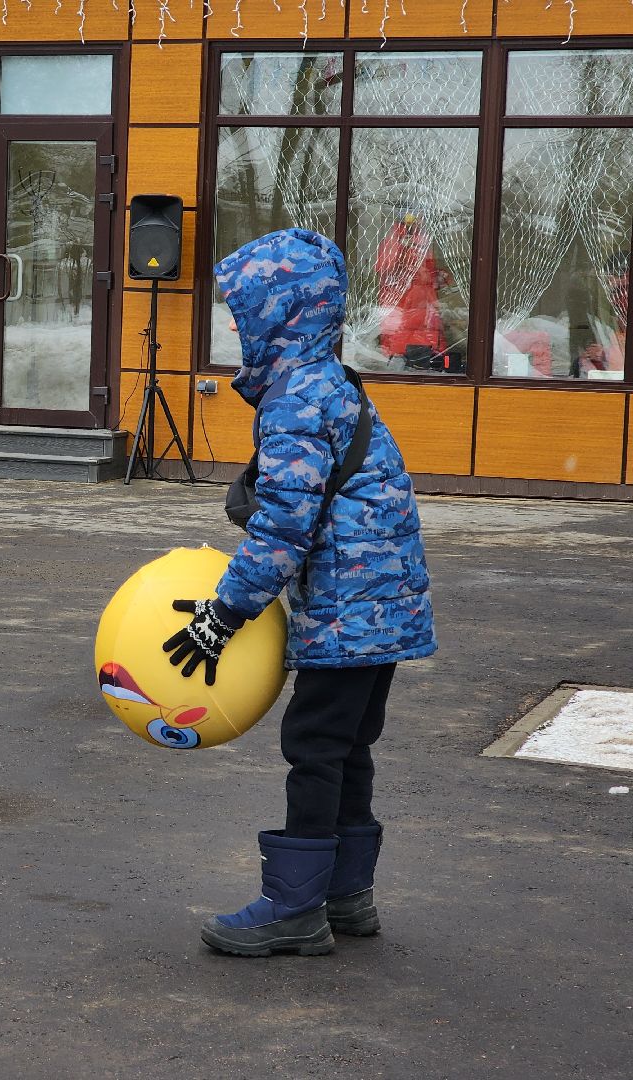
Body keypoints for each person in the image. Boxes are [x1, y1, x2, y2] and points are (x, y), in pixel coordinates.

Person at [162, 228, 437, 958]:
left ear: (279, 314)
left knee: (314, 746)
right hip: (382, 606)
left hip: (352, 608)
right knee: (347, 748)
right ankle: (348, 895)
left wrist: (224, 615)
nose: (231, 323)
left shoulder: (294, 397)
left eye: (241, 309)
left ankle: (295, 908)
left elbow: (287, 525)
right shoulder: (328, 379)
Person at [375, 213, 454, 368]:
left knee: (422, 349)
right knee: (401, 351)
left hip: (420, 309)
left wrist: (436, 277)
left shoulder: (423, 242)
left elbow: (428, 271)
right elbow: (385, 268)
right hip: (403, 309)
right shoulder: (394, 242)